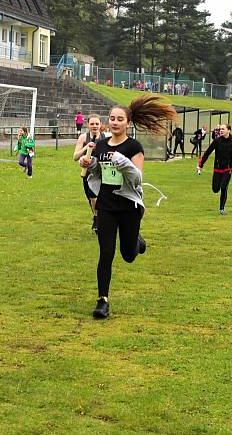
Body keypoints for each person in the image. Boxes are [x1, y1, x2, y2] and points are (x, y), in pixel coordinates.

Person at [79, 95, 177, 319]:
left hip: (129, 207)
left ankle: (137, 242)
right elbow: (97, 171)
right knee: (106, 253)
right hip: (105, 206)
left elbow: (138, 179)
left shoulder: (134, 146)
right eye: (112, 118)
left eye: (119, 119)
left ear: (128, 123)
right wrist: (90, 162)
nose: (114, 122)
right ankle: (102, 301)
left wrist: (124, 163)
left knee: (128, 255)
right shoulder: (101, 144)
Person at [197, 123, 232, 216]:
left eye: (223, 129)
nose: (221, 130)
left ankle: (222, 209)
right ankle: (220, 185)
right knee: (215, 189)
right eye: (220, 129)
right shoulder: (216, 141)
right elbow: (207, 153)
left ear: (228, 130)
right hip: (217, 168)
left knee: (224, 187)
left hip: (228, 168)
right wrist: (201, 165)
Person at [73, 113, 103, 232]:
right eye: (92, 124)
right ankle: (96, 217)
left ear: (100, 125)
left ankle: (99, 219)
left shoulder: (106, 137)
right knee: (91, 198)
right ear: (87, 125)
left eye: (97, 123)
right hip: (86, 174)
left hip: (101, 174)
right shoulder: (83, 137)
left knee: (96, 197)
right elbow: (75, 156)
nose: (95, 126)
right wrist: (86, 148)